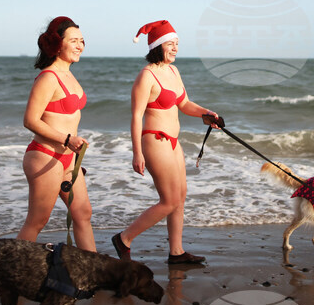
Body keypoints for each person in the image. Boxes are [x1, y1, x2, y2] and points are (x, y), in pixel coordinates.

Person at [111, 20, 217, 265]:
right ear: (158, 45)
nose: (176, 48)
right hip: (154, 141)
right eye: (171, 43)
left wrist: (207, 113)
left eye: (177, 43)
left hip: (173, 143)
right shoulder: (146, 76)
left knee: (180, 197)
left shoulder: (173, 71)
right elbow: (136, 116)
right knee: (168, 201)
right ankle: (124, 238)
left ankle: (176, 252)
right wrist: (137, 153)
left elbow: (184, 104)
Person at [17, 16, 95, 251]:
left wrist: (72, 145)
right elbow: (29, 120)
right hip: (45, 155)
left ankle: (92, 270)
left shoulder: (69, 75)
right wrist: (67, 139)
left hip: (68, 158)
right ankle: (12, 270)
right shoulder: (48, 77)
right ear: (57, 44)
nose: (80, 45)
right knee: (38, 220)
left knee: (82, 213)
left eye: (82, 40)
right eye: (74, 41)